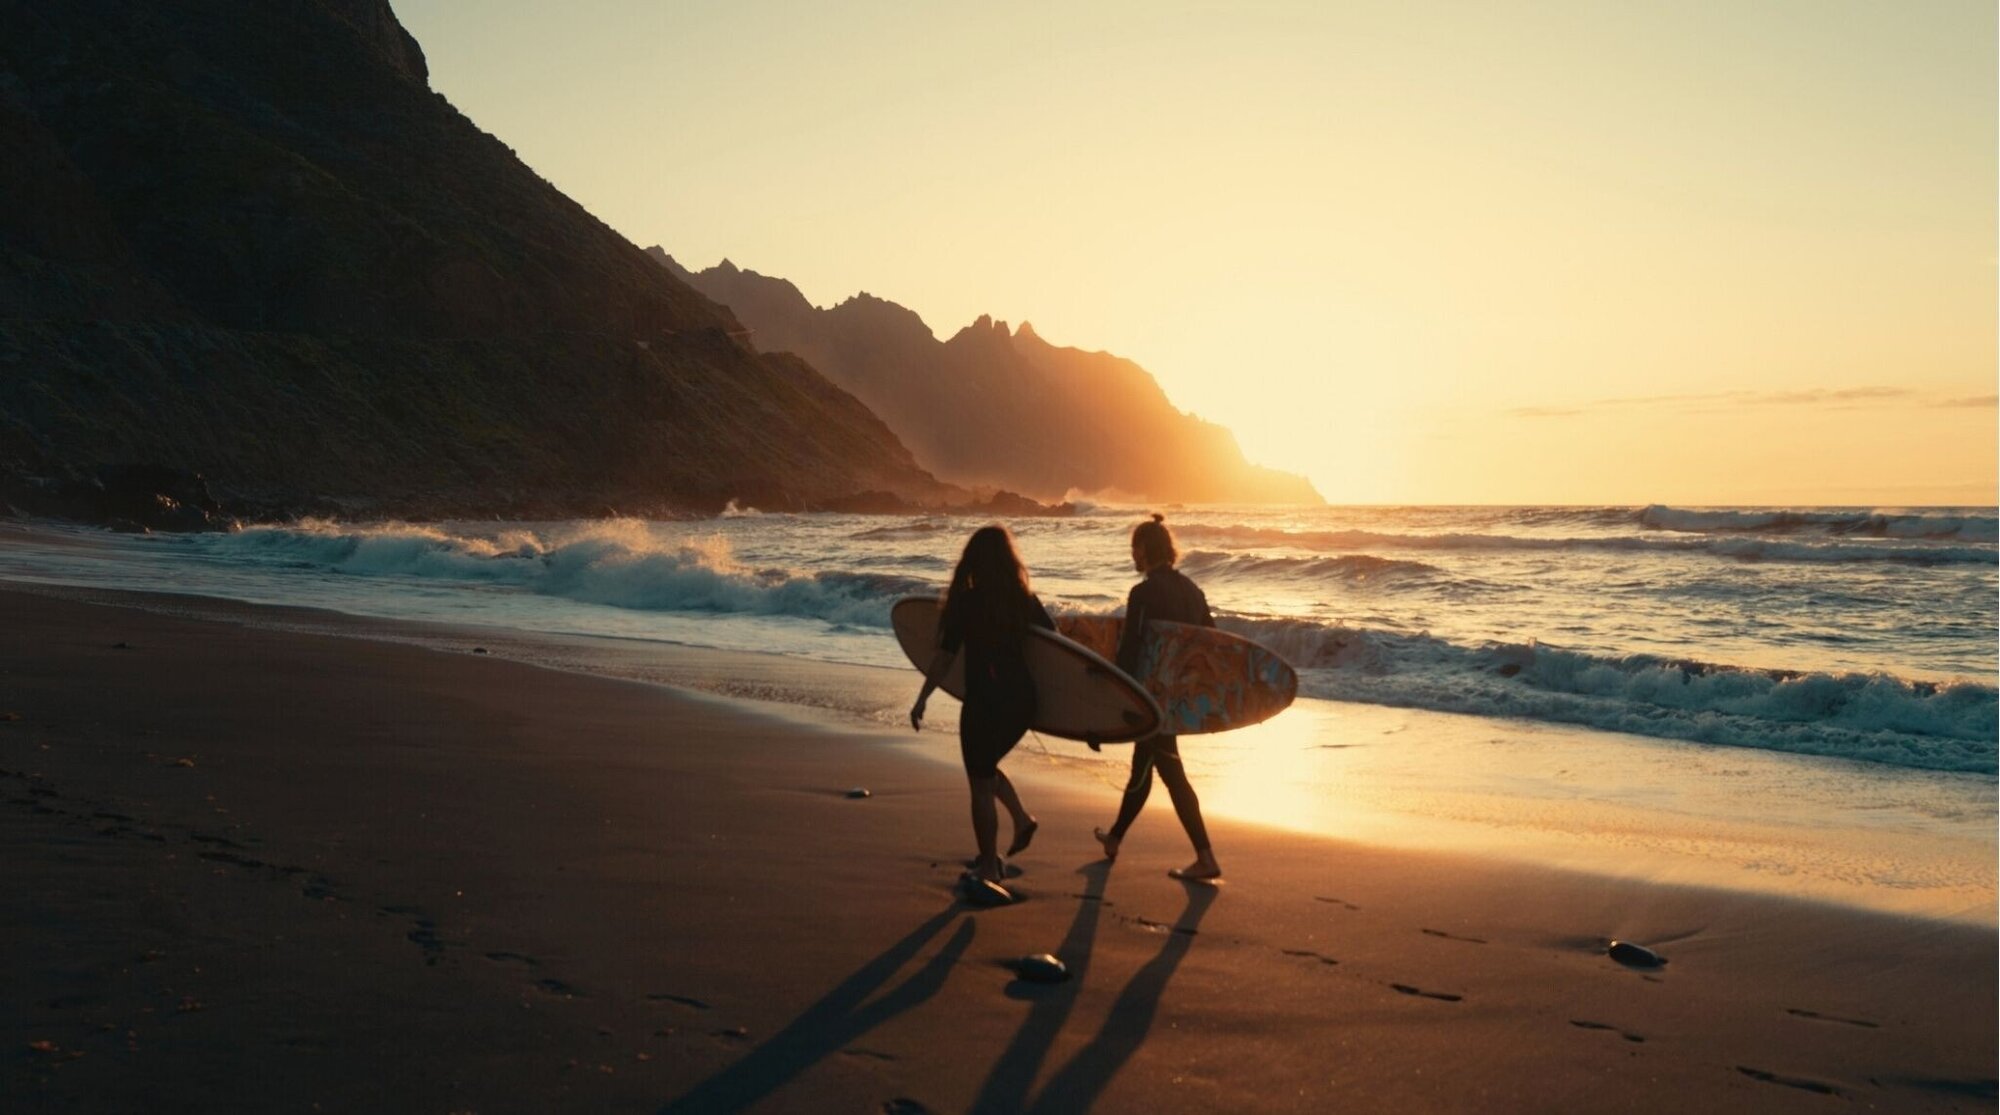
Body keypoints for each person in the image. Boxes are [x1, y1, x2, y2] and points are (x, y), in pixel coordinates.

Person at [910, 524, 1053, 886]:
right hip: (1022, 702)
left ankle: (989, 864)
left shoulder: (968, 601)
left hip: (985, 701)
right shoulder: (1024, 599)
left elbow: (944, 659)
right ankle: (1021, 819)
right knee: (984, 769)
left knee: (979, 781)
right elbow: (1055, 648)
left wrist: (922, 698)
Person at [1095, 514, 1223, 881]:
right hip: (1177, 700)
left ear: (1146, 550)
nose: (1132, 555)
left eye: (1135, 548)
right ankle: (1114, 839)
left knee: (1169, 772)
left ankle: (1206, 856)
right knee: (1146, 766)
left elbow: (1131, 650)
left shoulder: (1143, 593)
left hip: (1148, 698)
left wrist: (1112, 691)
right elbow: (1211, 642)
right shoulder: (1192, 591)